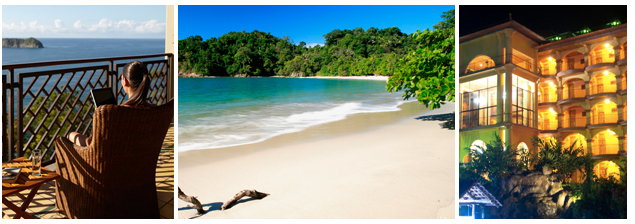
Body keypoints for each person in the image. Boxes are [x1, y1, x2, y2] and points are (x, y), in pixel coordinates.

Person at [67, 61, 154, 147]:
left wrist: (97, 117)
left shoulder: (118, 114)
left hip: (111, 156)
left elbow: (96, 141)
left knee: (70, 136)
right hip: (141, 156)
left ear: (125, 81)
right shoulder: (154, 110)